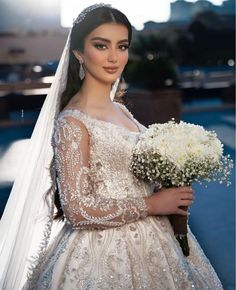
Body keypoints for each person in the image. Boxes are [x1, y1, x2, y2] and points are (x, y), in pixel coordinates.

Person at [0, 4, 223, 290]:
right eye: (101, 45)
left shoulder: (121, 110)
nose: (114, 57)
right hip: (99, 252)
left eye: (122, 46)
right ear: (79, 52)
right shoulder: (72, 122)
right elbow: (77, 209)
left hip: (158, 240)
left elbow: (133, 172)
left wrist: (169, 188)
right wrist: (152, 204)